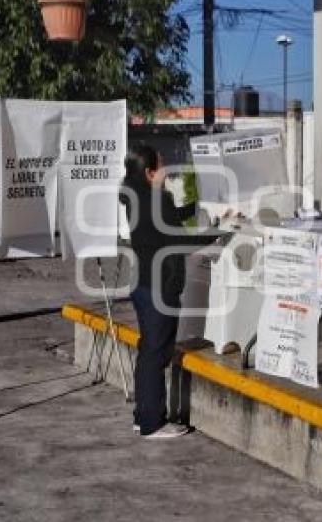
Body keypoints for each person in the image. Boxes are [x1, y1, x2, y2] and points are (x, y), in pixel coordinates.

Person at [120, 144, 225, 439]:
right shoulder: (158, 200)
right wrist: (221, 231)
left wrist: (196, 206)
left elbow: (167, 221)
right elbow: (183, 241)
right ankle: (154, 424)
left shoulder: (134, 196)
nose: (167, 169)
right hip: (160, 288)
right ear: (151, 172)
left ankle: (143, 417)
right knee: (156, 354)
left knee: (148, 352)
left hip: (142, 284)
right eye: (163, 164)